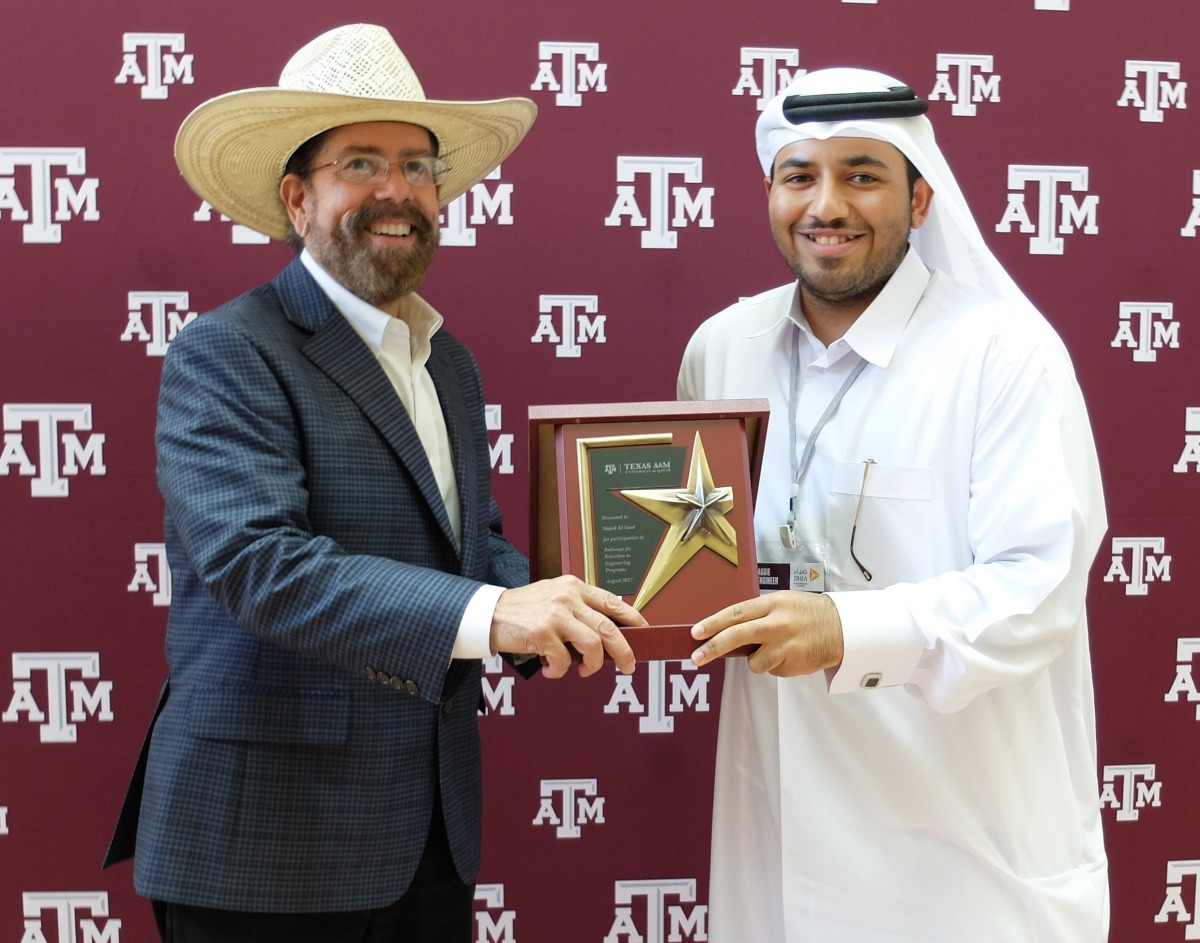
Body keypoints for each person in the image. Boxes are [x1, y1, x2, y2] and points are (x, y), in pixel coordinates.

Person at [103, 23, 643, 943]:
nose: (398, 190)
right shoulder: (226, 350)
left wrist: (592, 599)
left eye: (419, 166)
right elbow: (262, 566)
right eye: (361, 162)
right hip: (265, 852)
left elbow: (471, 551)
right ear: (297, 199)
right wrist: (492, 615)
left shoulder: (448, 363)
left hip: (426, 836)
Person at [679, 68, 1108, 942]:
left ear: (920, 199)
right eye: (799, 175)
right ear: (769, 190)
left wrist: (845, 629)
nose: (826, 204)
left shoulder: (1003, 354)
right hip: (776, 852)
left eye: (863, 175)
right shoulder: (722, 350)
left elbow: (1038, 591)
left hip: (962, 861)